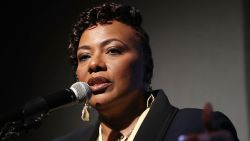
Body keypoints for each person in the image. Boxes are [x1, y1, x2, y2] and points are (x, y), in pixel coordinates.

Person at [53, 2, 239, 141]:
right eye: (84, 56)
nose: (94, 64)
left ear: (147, 66)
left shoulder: (194, 128)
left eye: (113, 50)